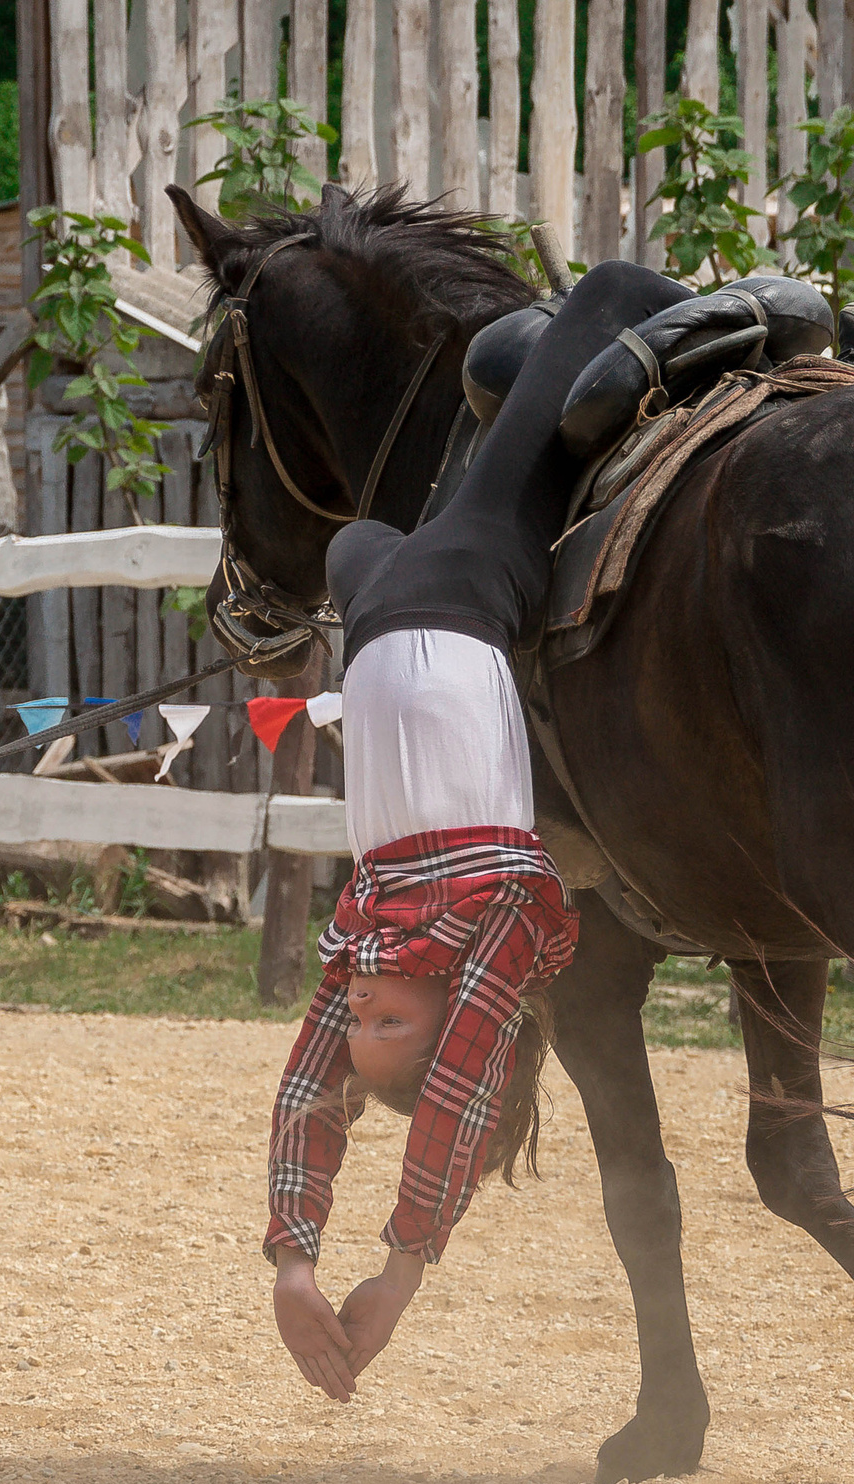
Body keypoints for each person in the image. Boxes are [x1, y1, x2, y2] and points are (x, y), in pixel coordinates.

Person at [263, 260, 693, 1402]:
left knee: (351, 540)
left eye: (362, 1017)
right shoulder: (495, 928)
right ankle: (689, 304)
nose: (365, 1000)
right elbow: (452, 1100)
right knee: (606, 290)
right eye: (391, 1016)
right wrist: (399, 1272)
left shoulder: (365, 941)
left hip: (375, 604)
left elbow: (309, 1090)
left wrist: (294, 1259)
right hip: (460, 601)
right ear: (458, 1009)